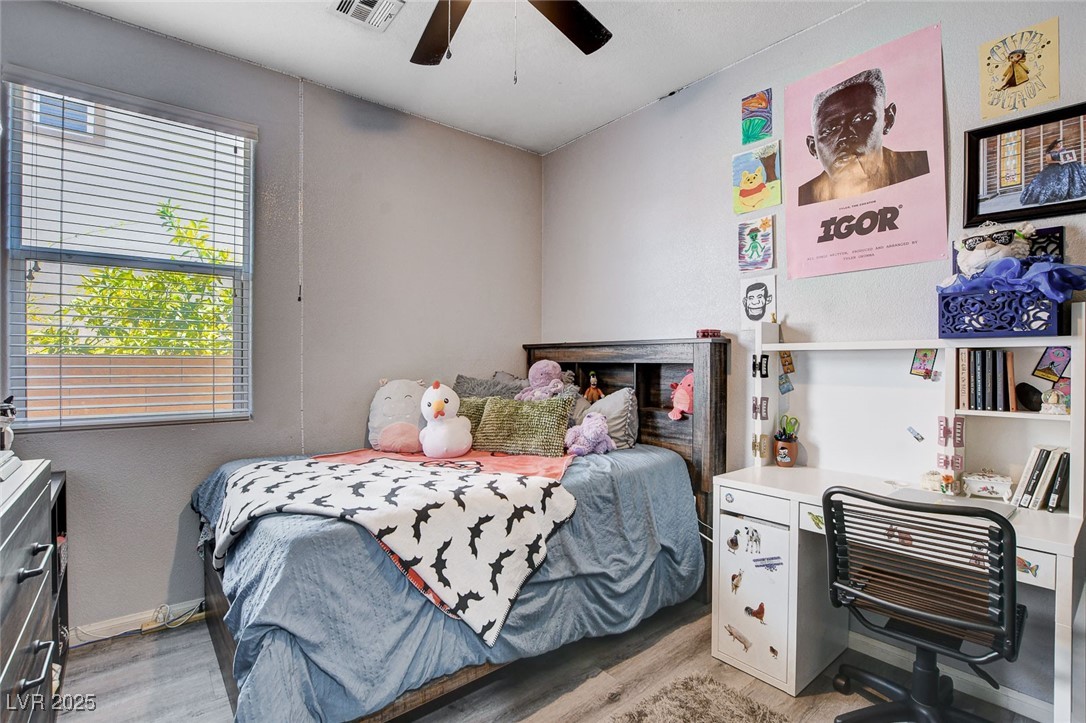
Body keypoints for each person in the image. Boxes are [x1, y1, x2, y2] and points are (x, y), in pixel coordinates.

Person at [797, 68, 930, 206]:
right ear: (813, 147)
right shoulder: (805, 197)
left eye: (861, 119)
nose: (845, 136)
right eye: (830, 129)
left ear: (888, 119)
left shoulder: (921, 167)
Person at [1019, 138, 1086, 207]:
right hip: (1054, 167)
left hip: (1066, 165)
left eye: (1060, 143)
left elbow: (1067, 156)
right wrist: (1058, 162)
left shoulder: (1063, 149)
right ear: (1054, 144)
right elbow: (1049, 161)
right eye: (1058, 143)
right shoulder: (1050, 152)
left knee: (1075, 175)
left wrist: (1070, 159)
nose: (1060, 144)